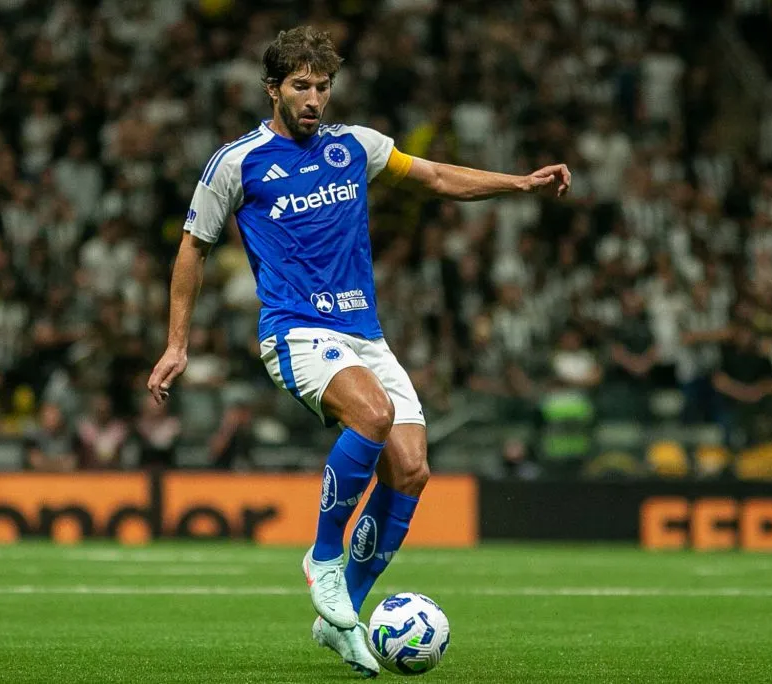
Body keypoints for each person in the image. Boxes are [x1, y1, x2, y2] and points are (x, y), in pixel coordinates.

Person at [147, 27, 570, 677]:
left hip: (366, 336)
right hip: (296, 332)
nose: (314, 98)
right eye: (301, 86)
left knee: (410, 469)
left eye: (322, 86)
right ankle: (322, 558)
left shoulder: (358, 148)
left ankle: (339, 619)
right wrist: (178, 343)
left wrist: (520, 184)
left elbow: (434, 177)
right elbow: (192, 248)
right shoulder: (238, 162)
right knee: (371, 417)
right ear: (273, 90)